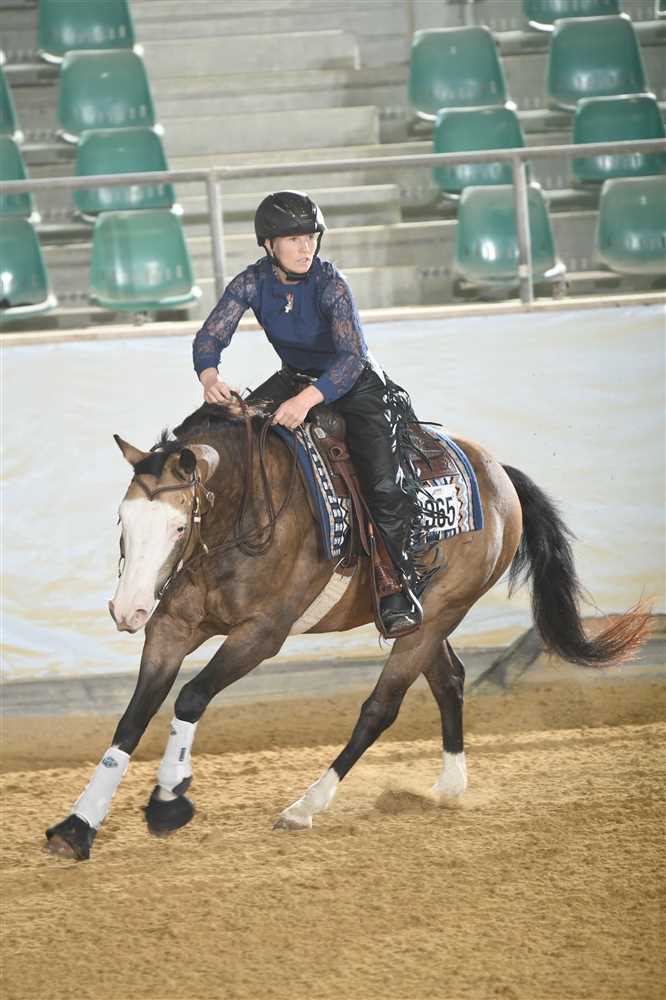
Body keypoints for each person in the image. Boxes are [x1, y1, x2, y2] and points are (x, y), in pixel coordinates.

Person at [192, 190, 424, 637]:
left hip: (353, 384)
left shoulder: (332, 284)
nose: (306, 248)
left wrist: (304, 401)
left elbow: (352, 358)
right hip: (295, 377)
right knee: (227, 431)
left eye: (311, 238)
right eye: (293, 239)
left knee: (382, 481)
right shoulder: (251, 282)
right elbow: (211, 335)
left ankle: (396, 584)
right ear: (268, 245)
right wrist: (209, 376)